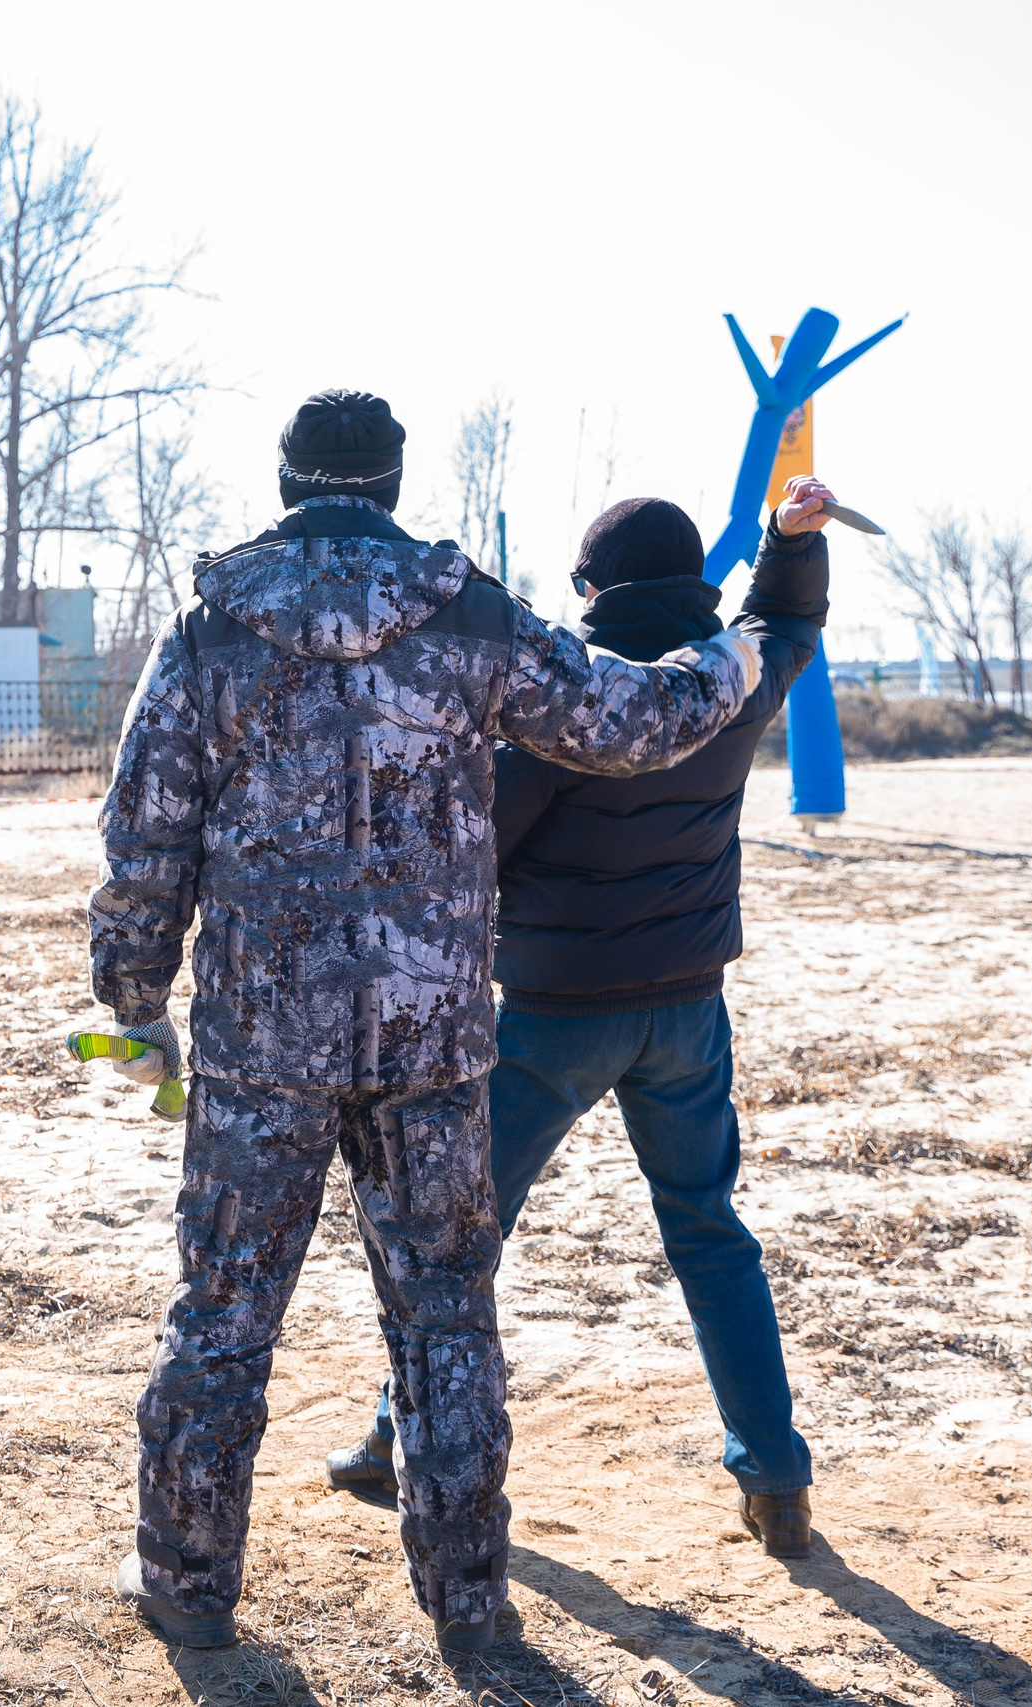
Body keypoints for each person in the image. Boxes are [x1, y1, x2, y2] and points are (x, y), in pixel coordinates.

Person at [87, 389, 808, 1655]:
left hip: (263, 1039)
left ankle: (189, 1590)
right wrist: (741, 652)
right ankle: (468, 1607)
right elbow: (630, 723)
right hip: (432, 1042)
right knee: (445, 1317)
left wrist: (134, 999)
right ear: (393, 481)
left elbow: (143, 836)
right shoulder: (465, 617)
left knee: (219, 1320)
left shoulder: (208, 632)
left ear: (288, 478)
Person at [319, 480, 834, 1561]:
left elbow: (473, 853)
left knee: (454, 1243)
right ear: (692, 583)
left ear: (591, 591)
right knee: (709, 1234)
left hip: (549, 1022)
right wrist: (789, 542)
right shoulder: (727, 682)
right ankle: (776, 1477)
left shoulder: (563, 709)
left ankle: (391, 1437)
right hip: (688, 1012)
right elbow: (783, 624)